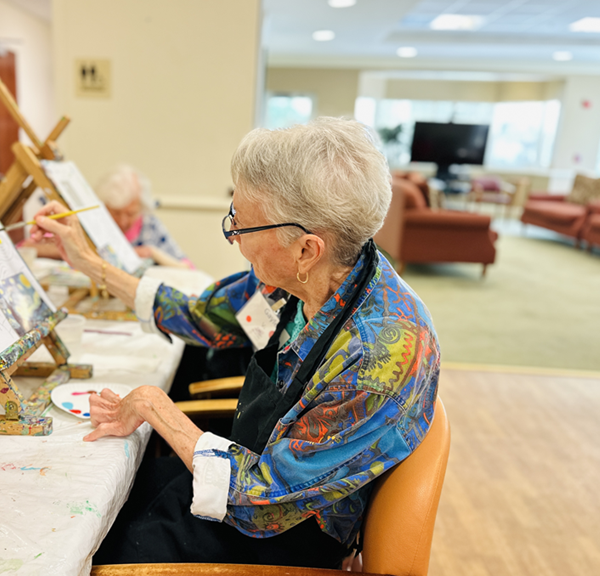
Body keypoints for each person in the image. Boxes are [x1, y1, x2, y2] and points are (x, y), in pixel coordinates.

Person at [30, 117, 440, 569]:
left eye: (242, 228)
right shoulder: (310, 274)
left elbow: (260, 500)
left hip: (279, 531)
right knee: (103, 492)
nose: (234, 239)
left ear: (307, 249)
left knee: (93, 546)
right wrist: (87, 261)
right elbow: (202, 315)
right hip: (244, 471)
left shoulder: (374, 357)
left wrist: (154, 405)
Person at [95, 164, 194, 268]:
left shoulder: (149, 224)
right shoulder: (95, 225)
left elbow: (188, 268)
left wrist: (151, 253)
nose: (123, 221)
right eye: (116, 213)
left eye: (131, 214)